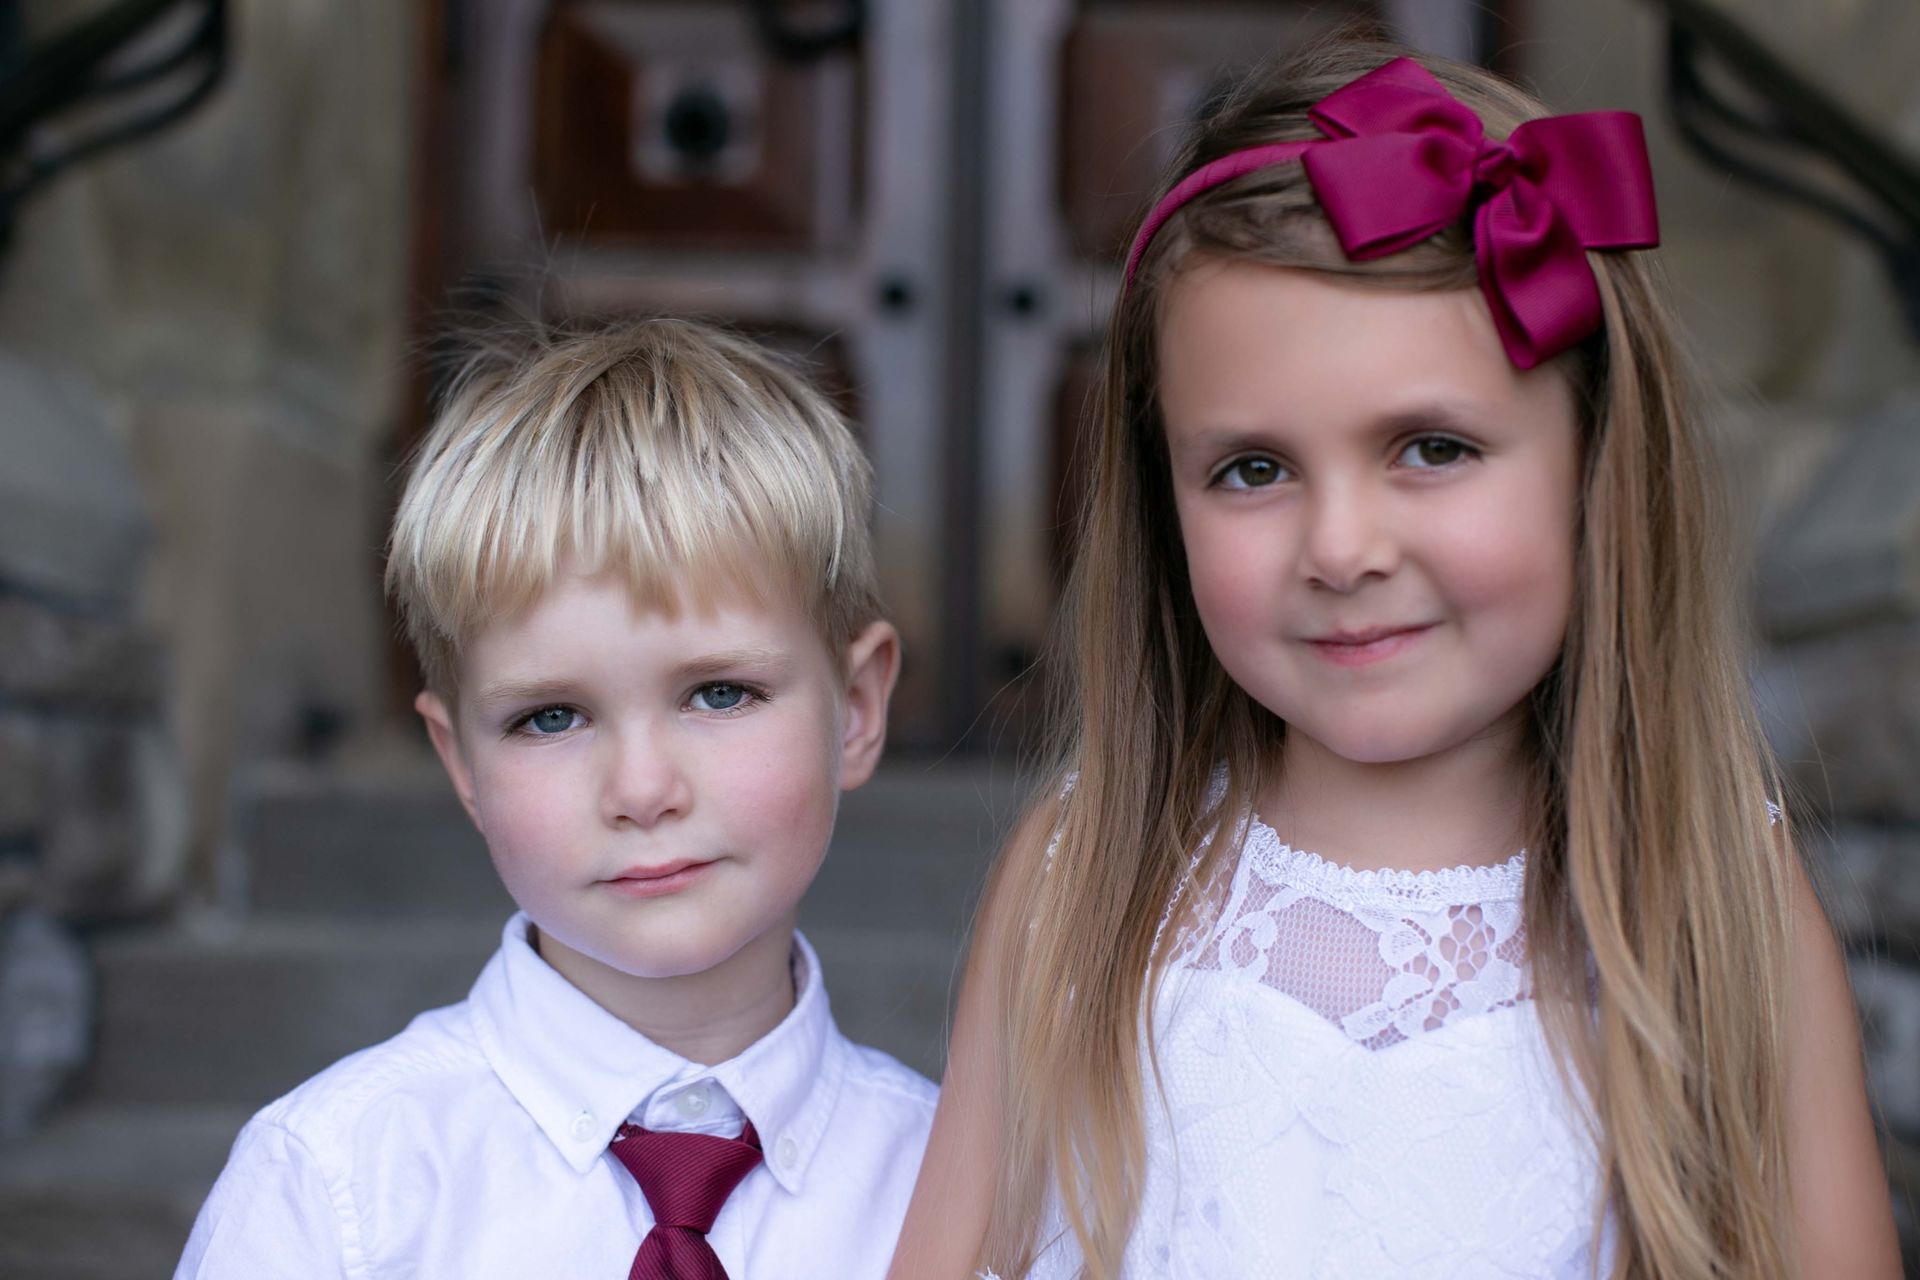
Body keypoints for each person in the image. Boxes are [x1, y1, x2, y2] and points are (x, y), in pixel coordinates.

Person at [891, 40, 1901, 1280]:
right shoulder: (1080, 883)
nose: (1342, 546)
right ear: (1166, 510)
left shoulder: (1716, 893)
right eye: (1252, 469)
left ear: (1596, 469)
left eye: (1430, 447)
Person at [178, 317, 936, 1279]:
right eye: (550, 718)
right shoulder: (337, 1187)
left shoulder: (955, 1187)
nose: (642, 790)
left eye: (718, 693)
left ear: (858, 709)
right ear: (461, 764)